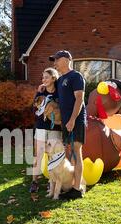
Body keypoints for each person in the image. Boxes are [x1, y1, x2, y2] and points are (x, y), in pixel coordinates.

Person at [49, 50, 87, 199]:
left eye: (57, 60)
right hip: (66, 122)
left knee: (77, 152)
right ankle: (71, 185)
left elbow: (80, 99)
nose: (55, 63)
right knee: (69, 152)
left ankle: (77, 189)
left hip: (76, 120)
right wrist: (41, 89)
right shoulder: (60, 80)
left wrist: (71, 120)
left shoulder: (76, 76)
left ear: (66, 60)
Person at [30, 68, 62, 193]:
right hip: (41, 128)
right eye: (43, 78)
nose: (44, 80)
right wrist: (42, 105)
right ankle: (34, 182)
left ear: (54, 78)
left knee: (53, 157)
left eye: (46, 77)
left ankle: (51, 183)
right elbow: (34, 111)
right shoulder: (40, 94)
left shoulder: (60, 94)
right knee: (37, 156)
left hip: (55, 129)